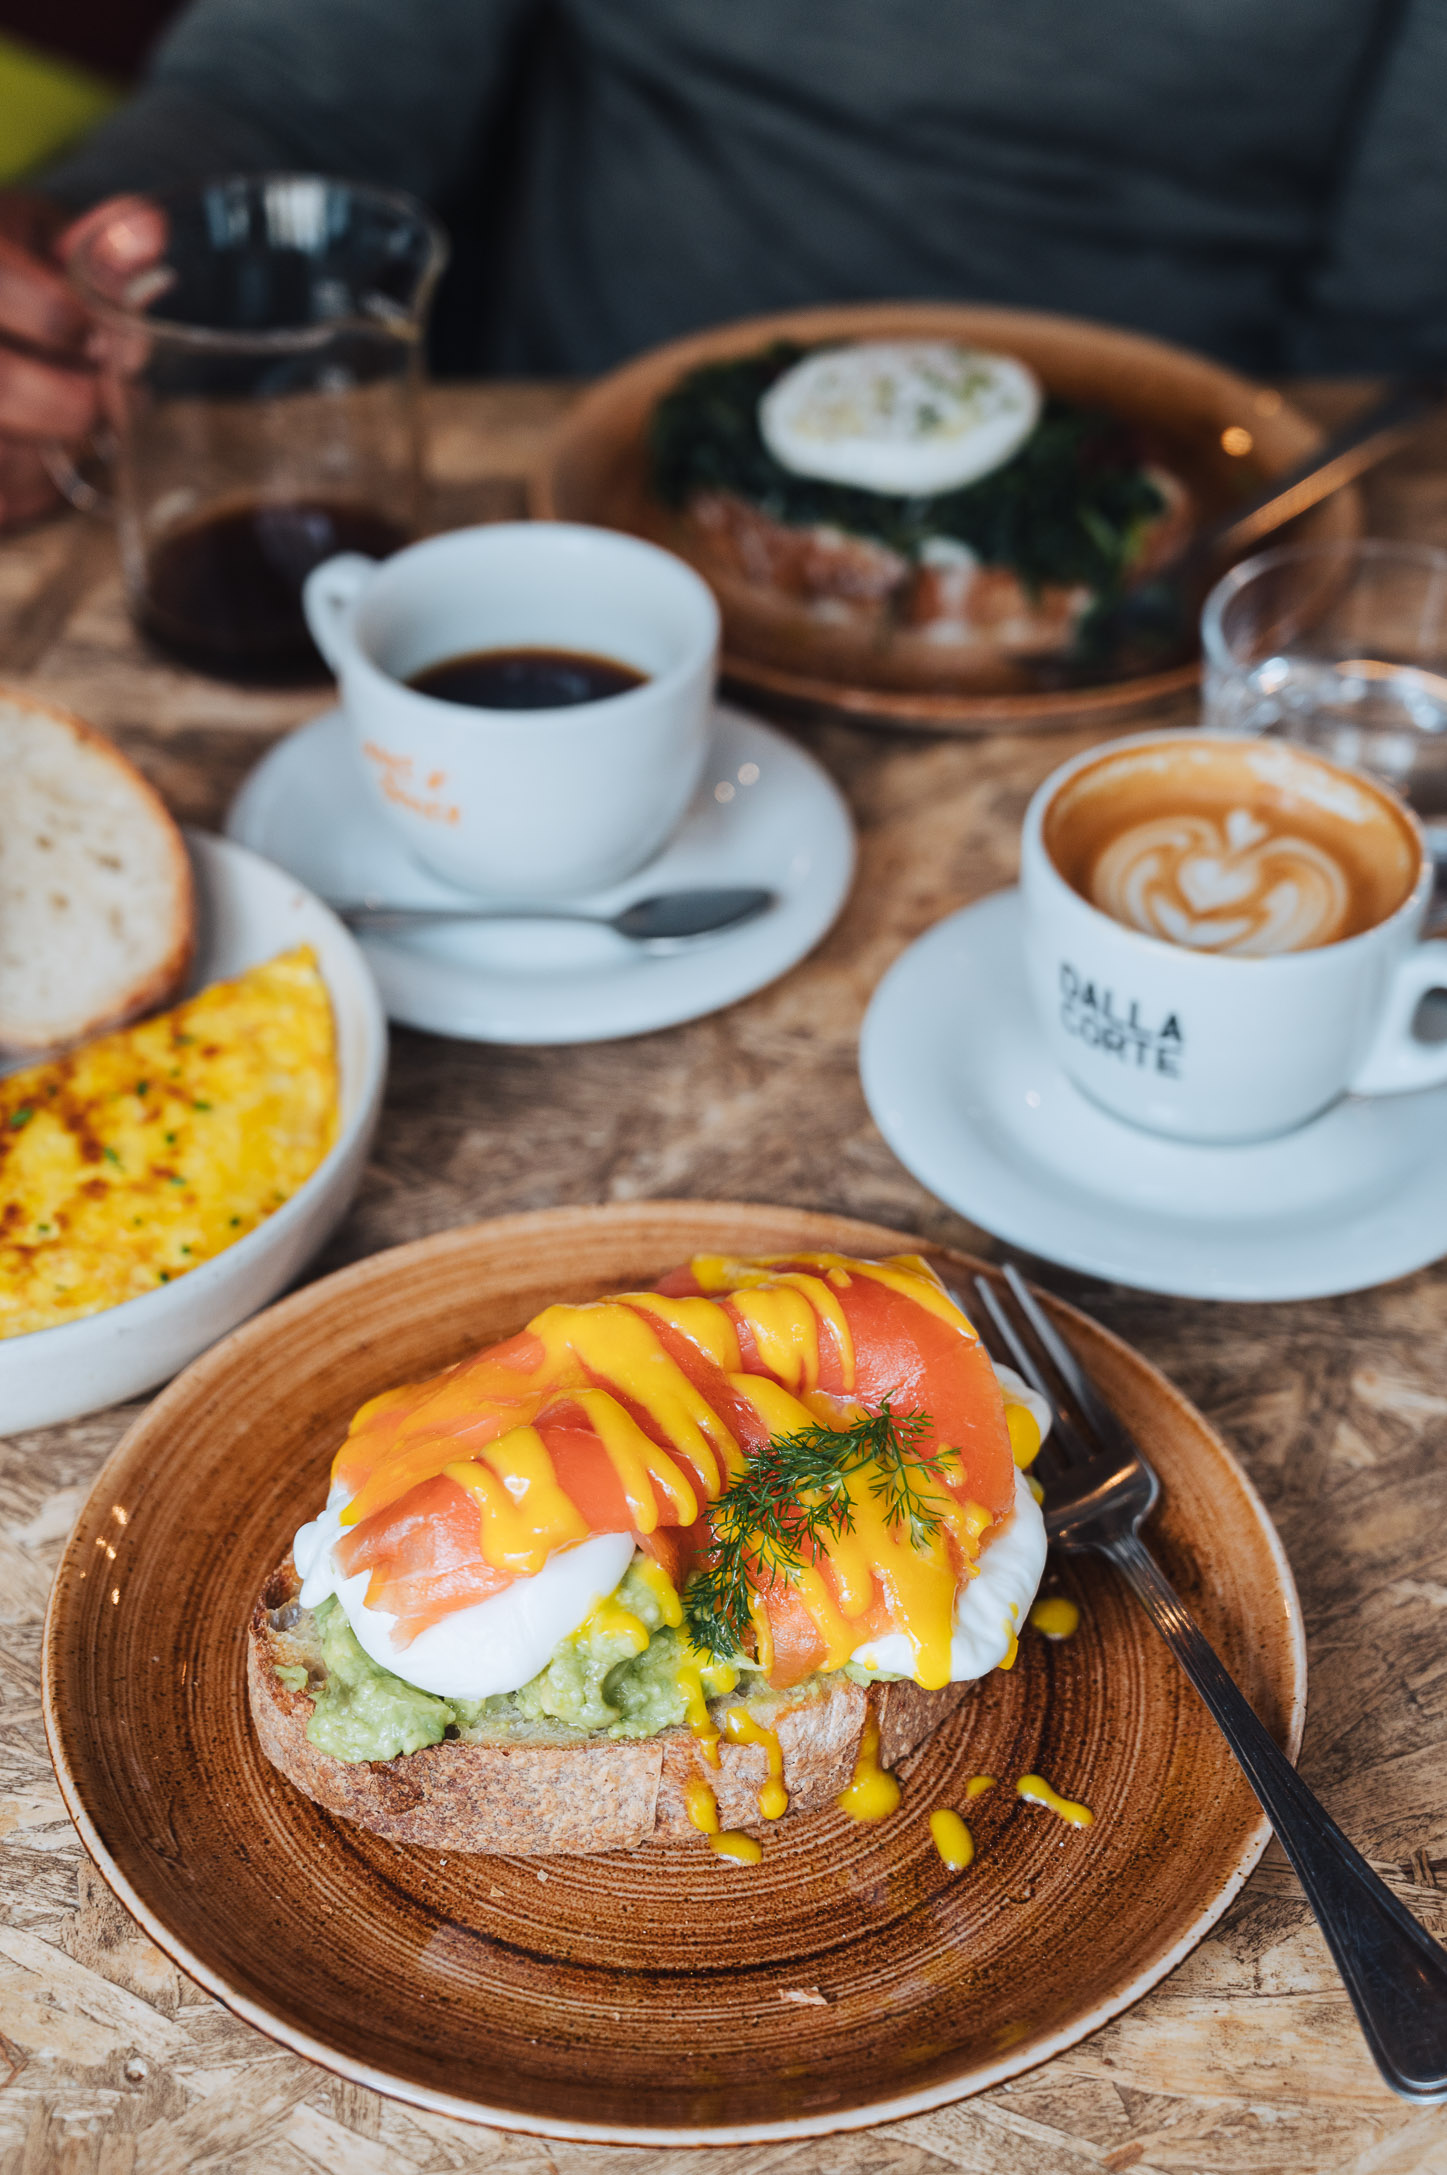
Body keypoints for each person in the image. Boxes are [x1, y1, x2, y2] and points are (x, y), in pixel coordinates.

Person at [1, 0, 1444, 531]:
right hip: (557, 496)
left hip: (1166, 540)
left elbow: (1398, 337)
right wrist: (69, 267)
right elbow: (301, 90)